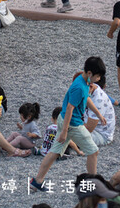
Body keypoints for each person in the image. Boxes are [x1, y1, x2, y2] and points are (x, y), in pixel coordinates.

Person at [31, 58, 106, 188]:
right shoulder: (79, 87)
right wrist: (65, 131)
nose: (98, 79)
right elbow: (70, 109)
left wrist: (98, 114)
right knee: (93, 151)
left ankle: (37, 181)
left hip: (65, 120)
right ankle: (94, 185)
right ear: (89, 73)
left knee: (54, 152)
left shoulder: (83, 81)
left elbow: (86, 99)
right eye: (98, 76)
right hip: (72, 124)